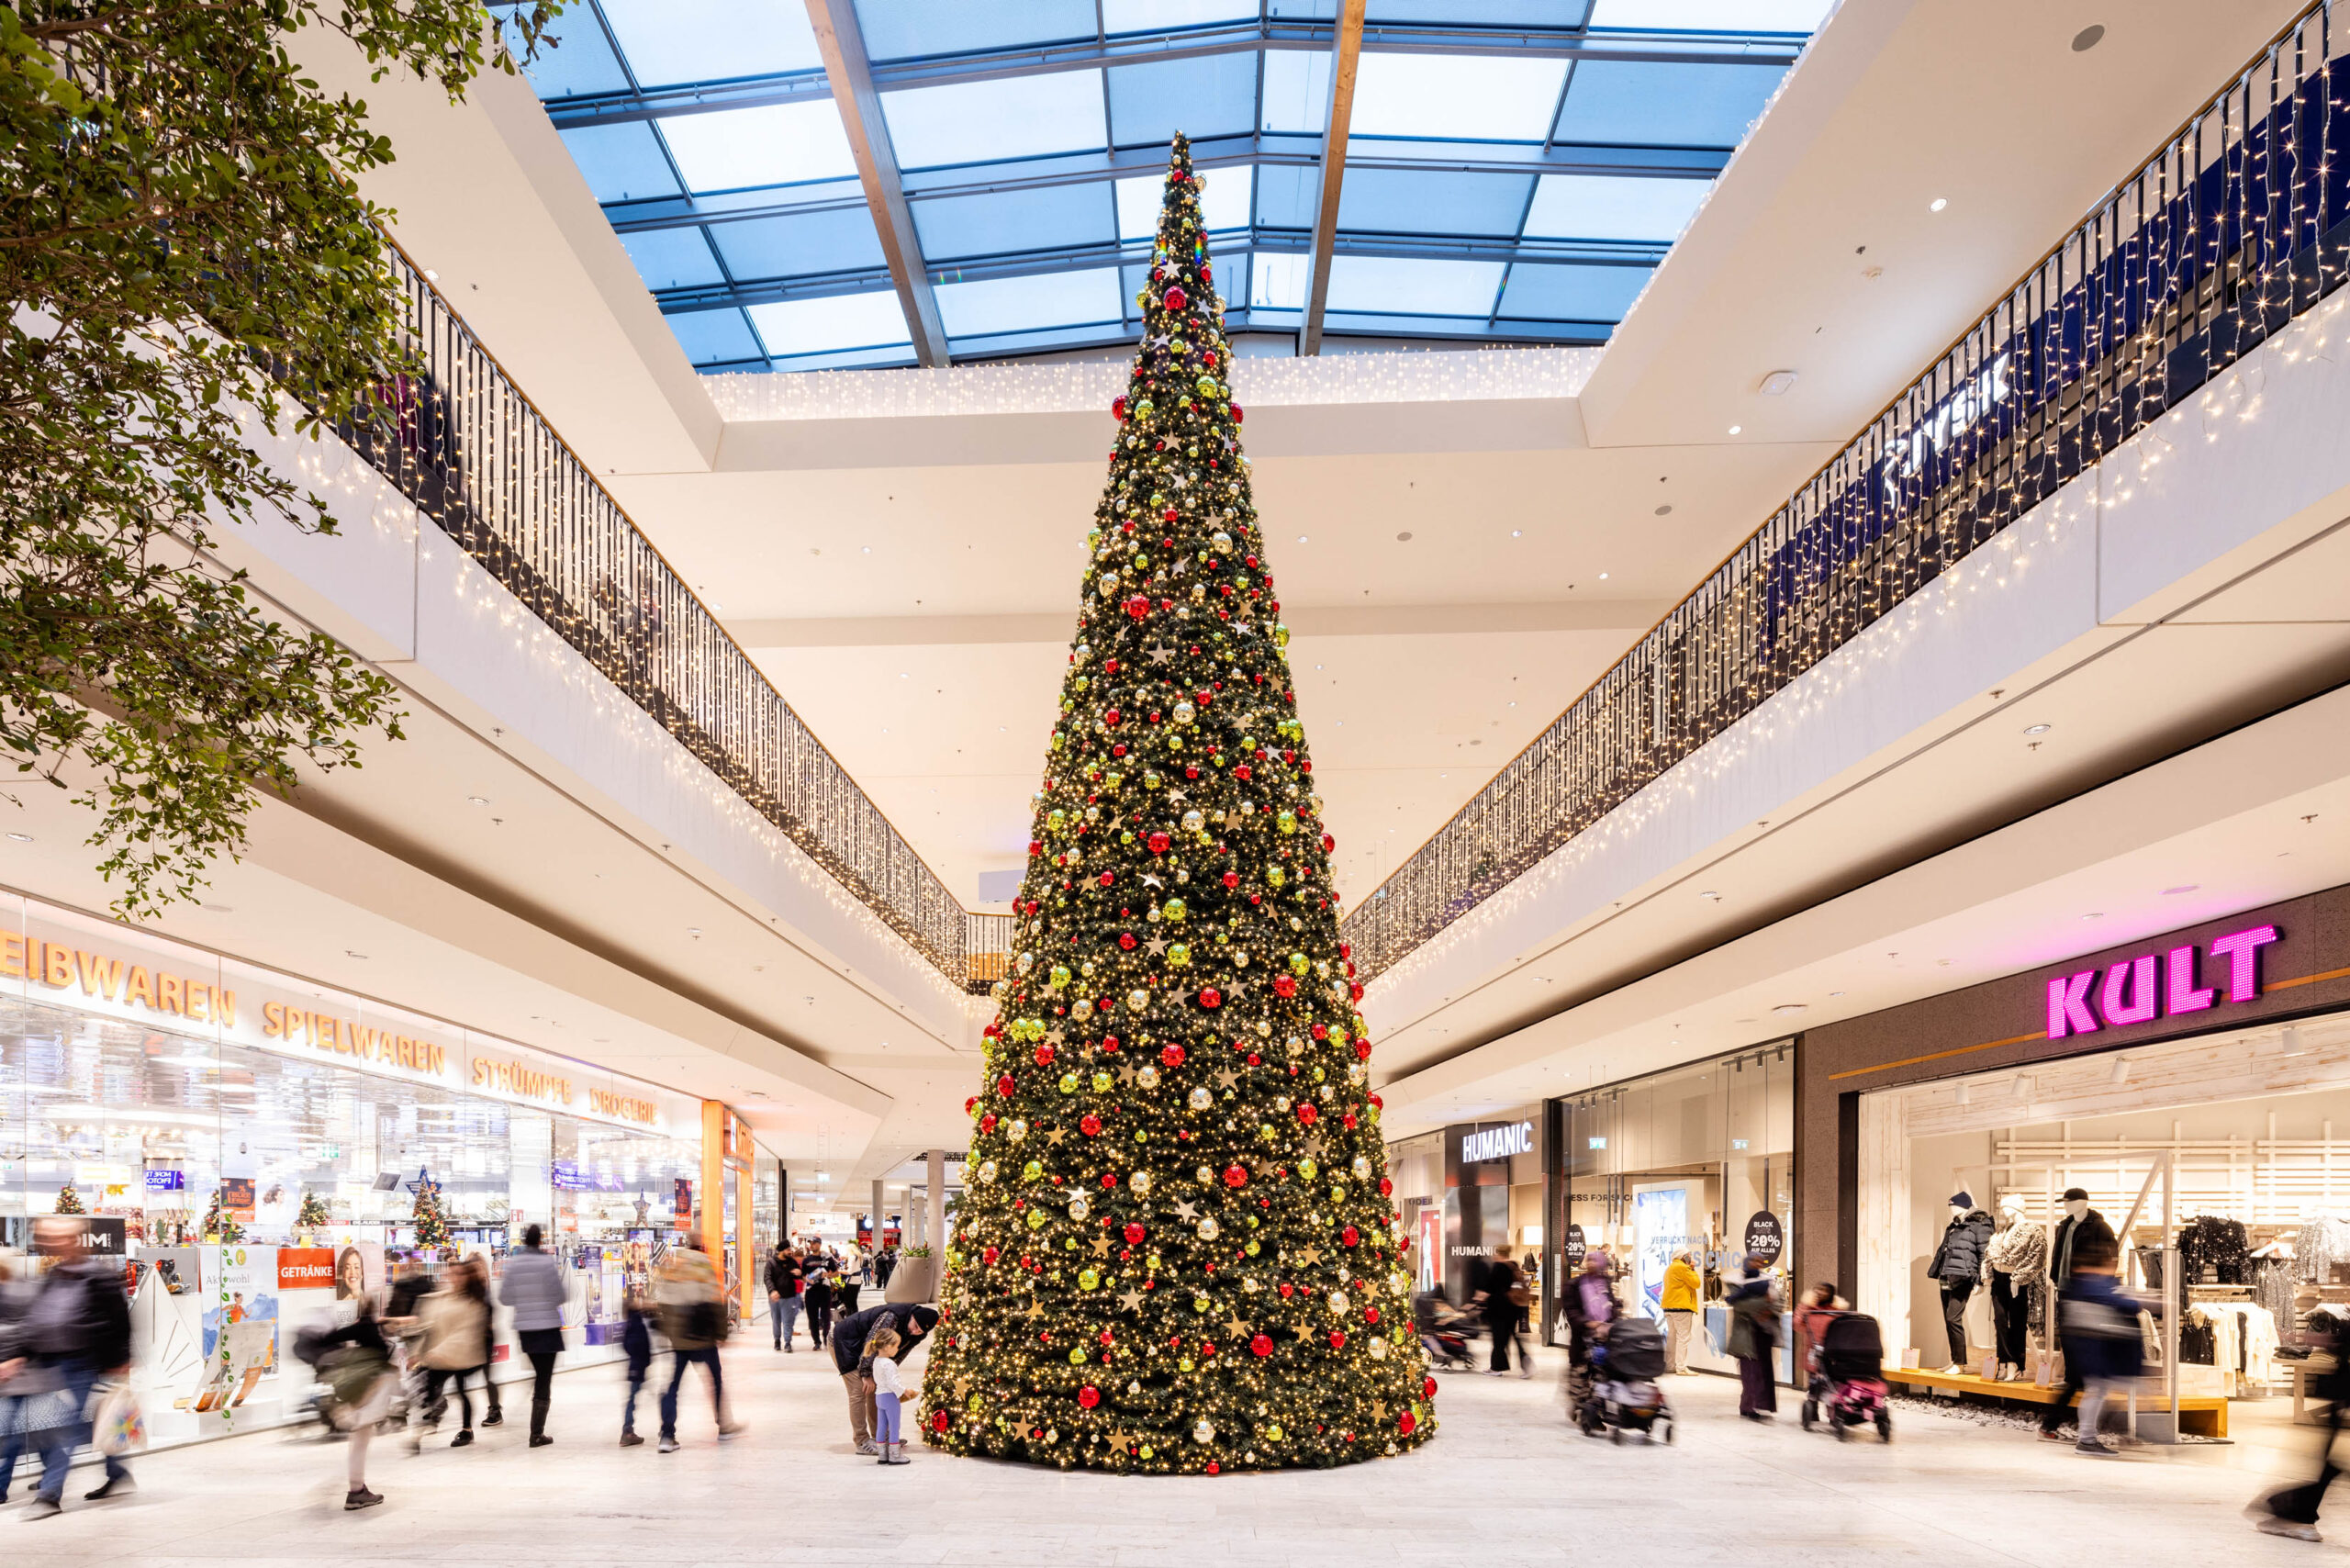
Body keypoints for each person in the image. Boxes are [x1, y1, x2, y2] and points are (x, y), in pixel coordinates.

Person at [17, 1217, 134, 1516]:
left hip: (84, 1363)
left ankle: (49, 1495)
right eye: (45, 1239)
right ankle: (117, 1473)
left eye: (56, 1239)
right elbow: (39, 1318)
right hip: (52, 1364)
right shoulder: (54, 1275)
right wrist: (22, 1354)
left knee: (63, 1429)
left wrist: (121, 1360)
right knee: (87, 1421)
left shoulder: (98, 1277)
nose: (49, 1244)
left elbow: (121, 1322)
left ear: (75, 1240)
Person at [2255, 1306, 2350, 1539]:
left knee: (2329, 1465)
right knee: (2329, 1465)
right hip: (2342, 1398)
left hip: (2342, 1398)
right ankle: (2297, 1515)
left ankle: (2296, 1515)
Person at [2056, 1234, 2143, 1459]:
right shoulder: (2093, 1284)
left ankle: (2091, 1436)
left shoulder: (2078, 1284)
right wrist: (2138, 1301)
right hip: (2094, 1348)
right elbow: (2124, 1304)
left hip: (2087, 1347)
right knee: (2098, 1390)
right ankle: (2088, 1439)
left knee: (2098, 1390)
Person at [654, 1236, 743, 1451]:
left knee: (673, 1386)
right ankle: (724, 1427)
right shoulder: (704, 1266)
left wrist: (670, 1334)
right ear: (701, 1247)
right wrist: (722, 1334)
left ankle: (667, 1435)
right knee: (716, 1381)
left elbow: (661, 1303)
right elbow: (715, 1301)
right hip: (703, 1339)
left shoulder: (673, 1267)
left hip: (679, 1341)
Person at [319, 1294, 397, 1510]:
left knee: (359, 1441)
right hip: (369, 1393)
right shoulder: (368, 1327)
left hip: (365, 1393)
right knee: (360, 1442)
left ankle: (357, 1488)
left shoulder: (364, 1327)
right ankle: (355, 1491)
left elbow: (328, 1339)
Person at [831, 1302, 939, 1455]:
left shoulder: (918, 1334)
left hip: (863, 1348)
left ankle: (880, 1437)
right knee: (859, 1391)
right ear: (912, 1316)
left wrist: (886, 1371)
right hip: (844, 1341)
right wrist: (866, 1373)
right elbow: (873, 1343)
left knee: (877, 1389)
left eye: (919, 1331)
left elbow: (900, 1353)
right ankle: (862, 1441)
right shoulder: (892, 1316)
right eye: (915, 1326)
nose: (914, 1331)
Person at [500, 1225, 566, 1448]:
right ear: (541, 1240)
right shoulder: (547, 1263)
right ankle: (536, 1433)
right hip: (548, 1327)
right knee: (544, 1379)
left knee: (538, 1375)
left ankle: (536, 1432)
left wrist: (525, 1301)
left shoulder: (513, 1264)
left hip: (525, 1329)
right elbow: (559, 1295)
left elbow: (505, 1298)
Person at [413, 1260, 489, 1450]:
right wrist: (419, 1352)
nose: (453, 1278)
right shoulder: (444, 1297)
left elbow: (464, 1334)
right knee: (429, 1390)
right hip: (442, 1356)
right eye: (451, 1274)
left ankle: (466, 1430)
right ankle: (419, 1432)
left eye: (458, 1274)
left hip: (463, 1356)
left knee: (461, 1391)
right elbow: (429, 1325)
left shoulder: (474, 1301)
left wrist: (435, 1351)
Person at [1561, 1249, 1618, 1420]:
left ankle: (1596, 1411)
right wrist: (1587, 1323)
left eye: (1595, 1260)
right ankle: (1579, 1405)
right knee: (1580, 1375)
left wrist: (1613, 1322)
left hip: (1604, 1338)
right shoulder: (1574, 1285)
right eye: (1589, 1260)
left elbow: (1612, 1306)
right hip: (1583, 1338)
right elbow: (1571, 1310)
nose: (1592, 1263)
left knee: (1602, 1375)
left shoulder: (1605, 1284)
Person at [1726, 1254, 1780, 1421]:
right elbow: (1741, 1305)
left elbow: (1779, 1302)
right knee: (1750, 1373)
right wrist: (1765, 1303)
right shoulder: (1736, 1281)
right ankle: (1748, 1406)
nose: (1757, 1264)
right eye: (1753, 1261)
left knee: (1763, 1372)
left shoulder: (1767, 1280)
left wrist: (1770, 1307)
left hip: (1763, 1333)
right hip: (1746, 1335)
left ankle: (1759, 1406)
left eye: (1760, 1261)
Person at [1477, 1245, 1531, 1378]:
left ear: (1498, 1253)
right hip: (1514, 1308)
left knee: (1498, 1339)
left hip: (1499, 1310)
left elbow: (1489, 1288)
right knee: (1511, 1337)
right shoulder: (1514, 1266)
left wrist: (1479, 1297)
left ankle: (1496, 1368)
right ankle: (1527, 1364)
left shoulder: (1498, 1267)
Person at [864, 1327, 912, 1465]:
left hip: (879, 1397)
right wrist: (905, 1391)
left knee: (881, 1426)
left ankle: (882, 1454)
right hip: (890, 1397)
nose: (897, 1350)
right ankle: (895, 1455)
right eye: (896, 1346)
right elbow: (893, 1383)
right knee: (894, 1426)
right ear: (887, 1346)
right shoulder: (889, 1364)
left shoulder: (876, 1361)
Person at [619, 1289, 655, 1448]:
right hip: (638, 1365)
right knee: (633, 1398)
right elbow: (633, 1344)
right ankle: (627, 1431)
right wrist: (642, 1359)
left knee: (634, 1397)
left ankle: (628, 1430)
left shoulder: (634, 1320)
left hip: (638, 1364)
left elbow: (626, 1344)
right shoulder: (636, 1322)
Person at [1662, 1249, 1703, 1374]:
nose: (1690, 1257)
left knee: (1672, 1337)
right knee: (1683, 1338)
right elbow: (1696, 1283)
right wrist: (1693, 1268)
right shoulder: (1683, 1268)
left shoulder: (1670, 1268)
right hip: (1681, 1307)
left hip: (1669, 1306)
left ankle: (1670, 1365)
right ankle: (1681, 1367)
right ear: (1683, 1257)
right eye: (1689, 1255)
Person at [767, 1245, 804, 1352]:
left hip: (788, 1296)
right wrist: (772, 1290)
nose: (790, 1251)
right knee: (776, 1320)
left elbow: (798, 1275)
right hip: (775, 1297)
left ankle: (788, 1343)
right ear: (782, 1250)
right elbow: (767, 1278)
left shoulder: (791, 1262)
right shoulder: (771, 1263)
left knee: (788, 1320)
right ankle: (777, 1340)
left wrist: (799, 1274)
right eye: (788, 1249)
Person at [804, 1267, 836, 1349]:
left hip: (825, 1290)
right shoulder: (807, 1261)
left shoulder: (827, 1259)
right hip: (811, 1290)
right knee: (813, 1318)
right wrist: (807, 1278)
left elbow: (836, 1273)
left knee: (826, 1316)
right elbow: (803, 1276)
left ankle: (826, 1337)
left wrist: (828, 1275)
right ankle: (817, 1341)